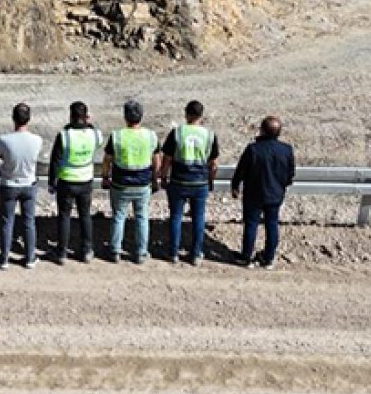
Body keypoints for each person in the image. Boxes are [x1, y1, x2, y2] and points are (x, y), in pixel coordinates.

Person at [160, 100, 220, 266]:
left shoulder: (177, 133)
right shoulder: (209, 135)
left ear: (186, 114)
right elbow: (214, 163)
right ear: (201, 115)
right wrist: (210, 179)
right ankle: (196, 254)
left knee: (176, 217)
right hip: (200, 182)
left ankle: (173, 253)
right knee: (199, 218)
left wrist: (163, 176)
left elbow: (167, 159)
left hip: (179, 180)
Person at [232, 116, 296, 270]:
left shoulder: (253, 149)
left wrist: (235, 186)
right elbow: (290, 173)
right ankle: (268, 258)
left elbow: (241, 170)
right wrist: (282, 185)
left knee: (251, 224)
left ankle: (246, 257)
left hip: (254, 193)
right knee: (272, 224)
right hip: (275, 194)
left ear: (262, 130)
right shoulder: (287, 150)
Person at [101, 101, 160, 264]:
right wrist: (155, 179)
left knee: (118, 217)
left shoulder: (117, 136)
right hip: (143, 184)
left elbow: (107, 159)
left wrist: (105, 177)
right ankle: (141, 252)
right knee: (142, 217)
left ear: (125, 116)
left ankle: (115, 251)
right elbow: (157, 160)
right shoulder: (150, 136)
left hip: (121, 184)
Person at [47, 101, 102, 264]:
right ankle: (86, 251)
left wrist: (52, 181)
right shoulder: (94, 134)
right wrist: (89, 124)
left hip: (67, 180)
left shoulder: (64, 135)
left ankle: (62, 252)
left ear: (71, 116)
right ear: (86, 116)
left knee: (64, 216)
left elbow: (55, 161)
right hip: (85, 180)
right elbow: (98, 139)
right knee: (85, 215)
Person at [0, 103, 43, 270]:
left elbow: (0, 155)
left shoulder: (4, 140)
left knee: (7, 222)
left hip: (9, 183)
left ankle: (4, 259)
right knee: (29, 222)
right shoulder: (37, 140)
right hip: (28, 183)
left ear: (13, 118)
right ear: (29, 119)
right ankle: (30, 258)